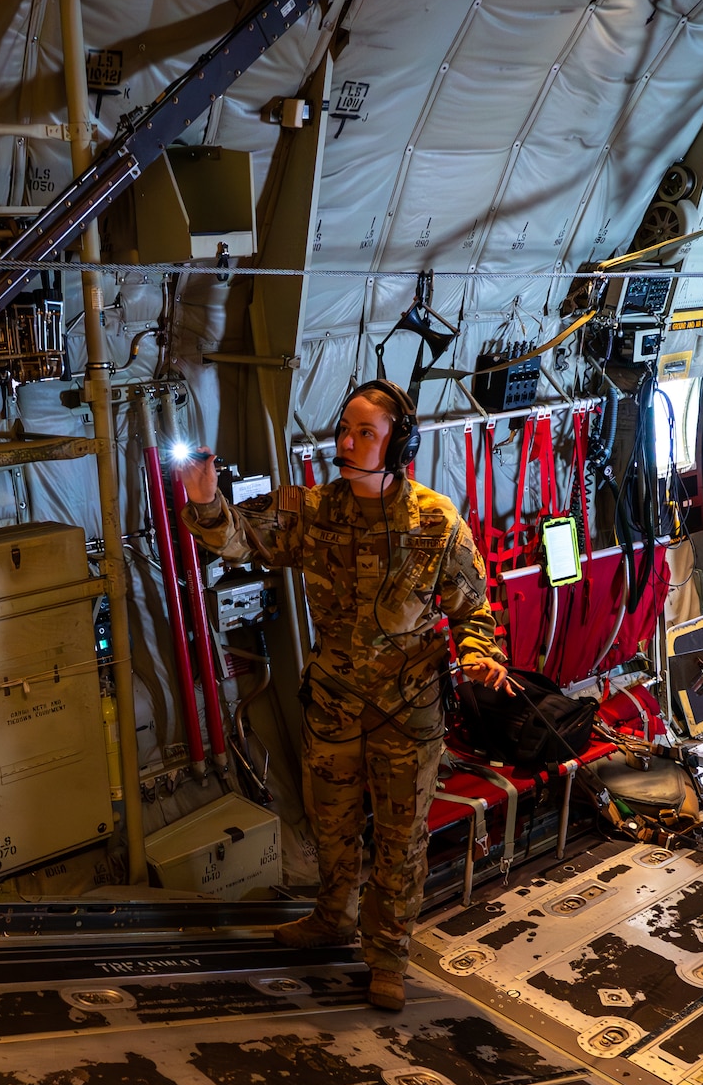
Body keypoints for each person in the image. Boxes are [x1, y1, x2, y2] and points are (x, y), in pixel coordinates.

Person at [176, 380, 511, 1012]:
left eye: (365, 433)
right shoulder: (311, 509)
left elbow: (473, 612)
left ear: (399, 445)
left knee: (398, 841)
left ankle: (387, 956)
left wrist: (477, 656)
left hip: (406, 713)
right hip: (334, 706)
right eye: (344, 430)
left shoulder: (436, 522)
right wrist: (206, 498)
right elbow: (242, 541)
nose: (347, 443)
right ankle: (332, 917)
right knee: (330, 829)